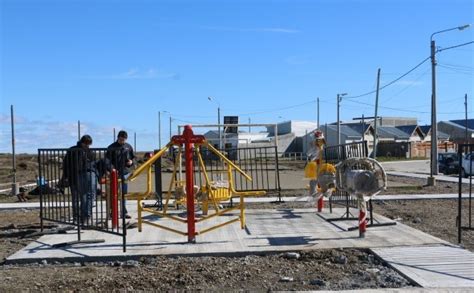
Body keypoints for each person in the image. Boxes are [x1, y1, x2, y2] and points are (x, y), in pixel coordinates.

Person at [63, 135, 97, 225]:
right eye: (86, 144)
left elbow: (93, 163)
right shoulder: (72, 150)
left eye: (89, 145)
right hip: (73, 177)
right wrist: (66, 176)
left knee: (84, 198)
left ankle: (84, 217)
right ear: (82, 142)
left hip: (83, 178)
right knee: (75, 199)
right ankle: (76, 218)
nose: (87, 146)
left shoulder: (89, 152)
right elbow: (66, 164)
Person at [107, 130, 135, 219]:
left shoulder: (128, 147)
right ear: (118, 138)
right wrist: (112, 169)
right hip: (114, 174)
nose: (122, 141)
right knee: (114, 194)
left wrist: (131, 162)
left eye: (124, 140)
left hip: (125, 173)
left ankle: (124, 212)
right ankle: (113, 212)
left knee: (124, 193)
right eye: (121, 139)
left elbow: (133, 158)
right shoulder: (111, 147)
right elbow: (107, 161)